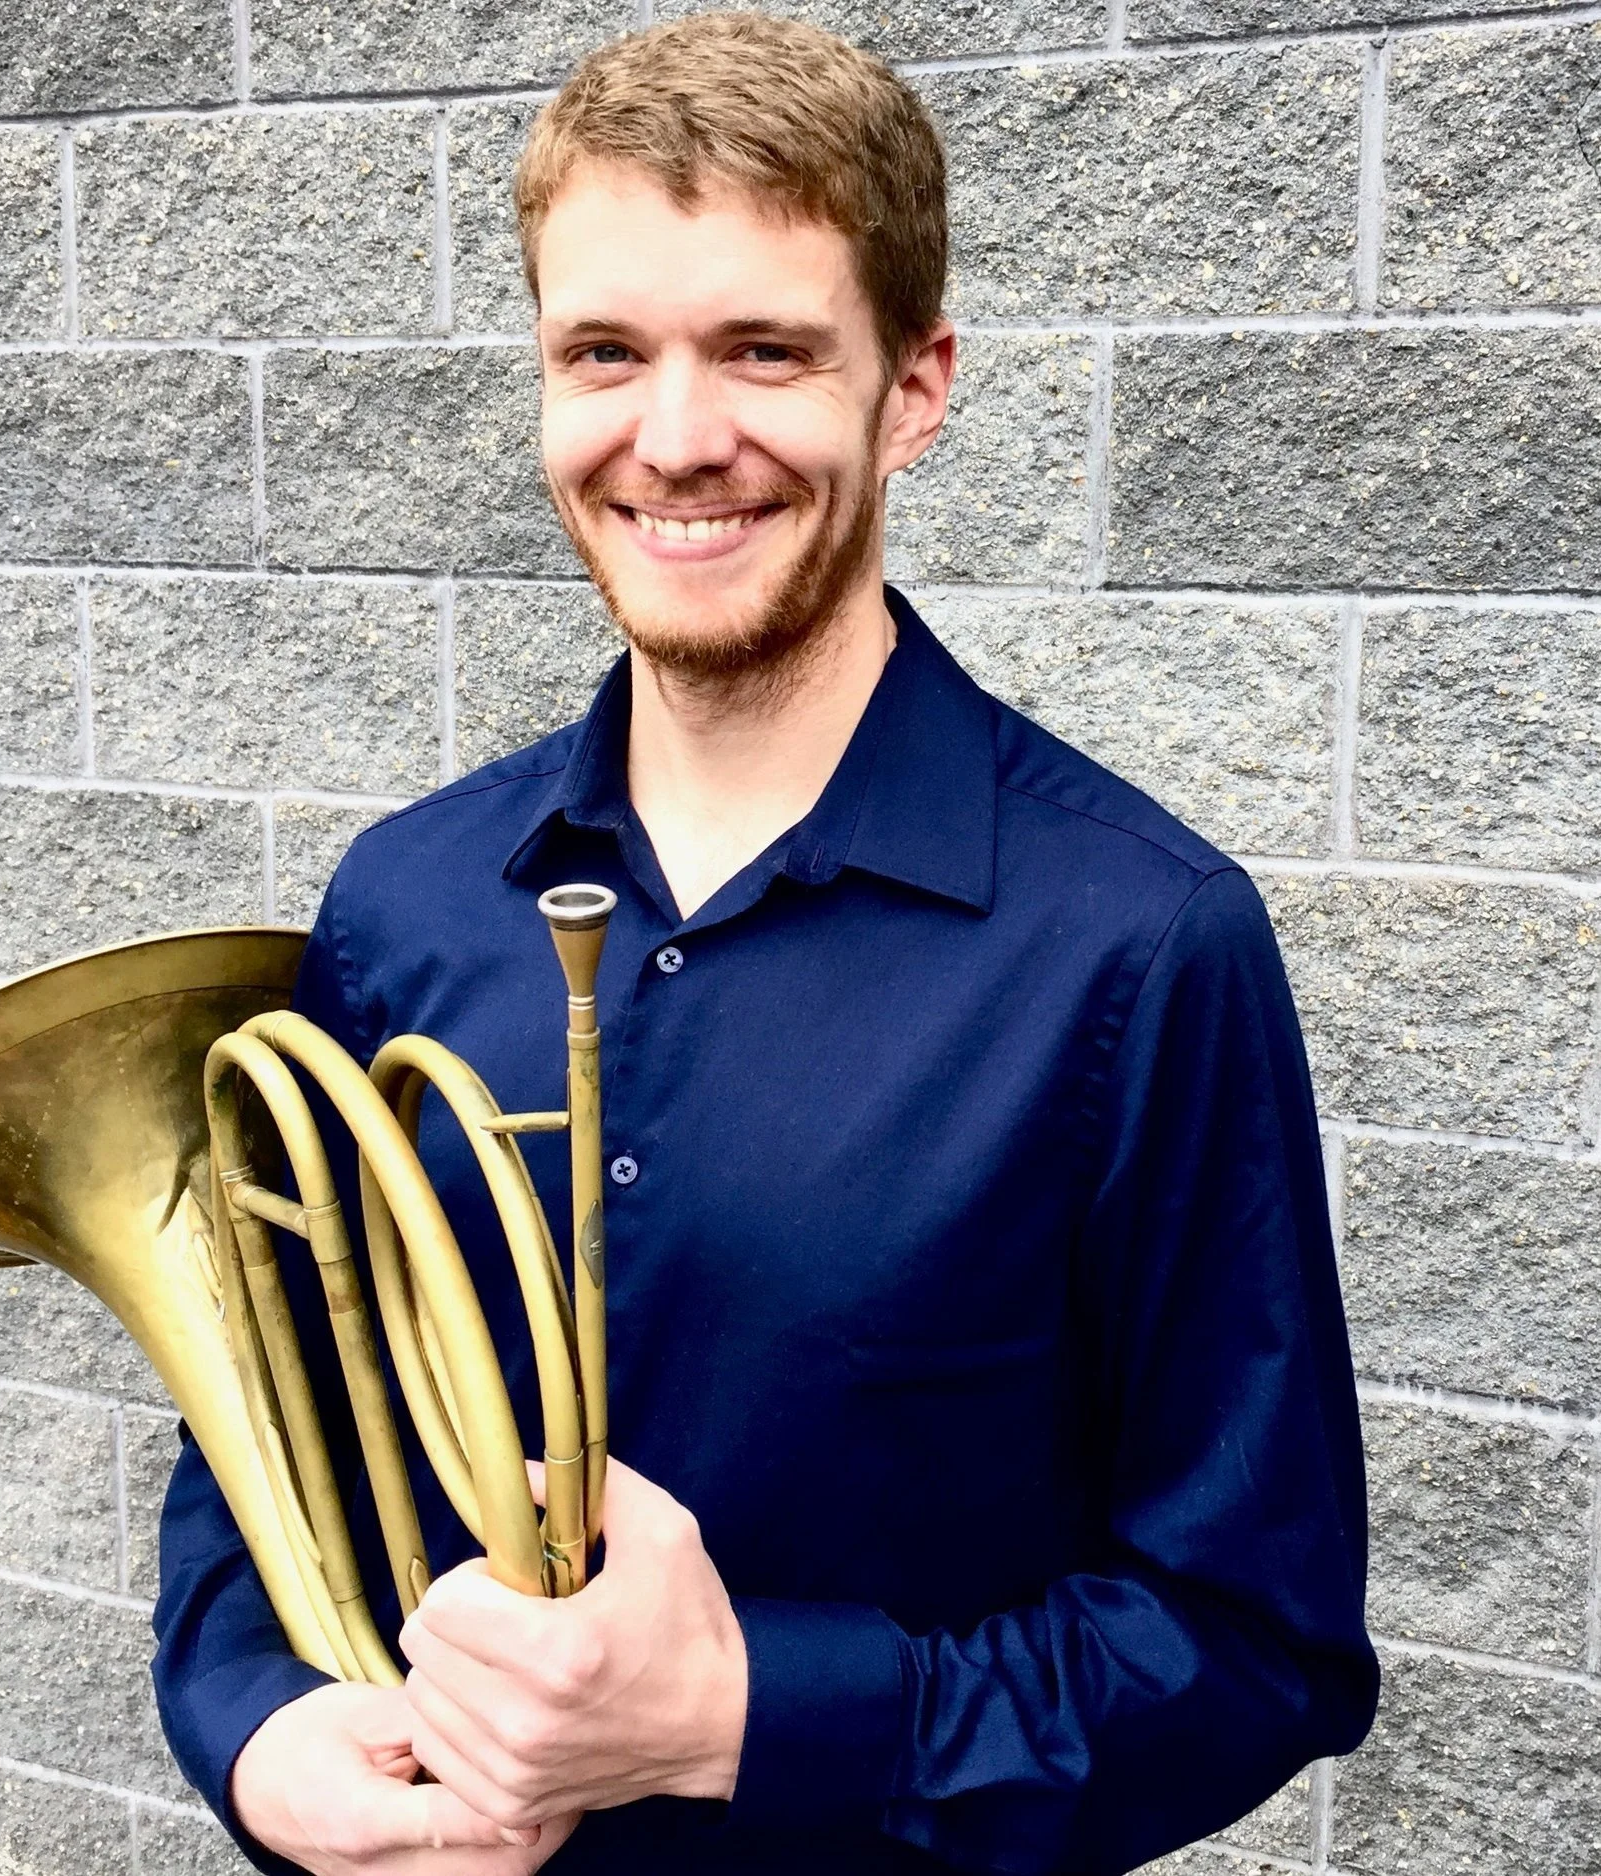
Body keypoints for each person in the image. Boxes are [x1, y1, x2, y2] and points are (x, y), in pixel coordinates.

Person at [150, 14, 1378, 1874]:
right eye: (605, 353)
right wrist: (258, 1731)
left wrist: (749, 1717)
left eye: (765, 351)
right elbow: (272, 1436)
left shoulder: (1141, 949)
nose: (674, 440)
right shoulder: (405, 899)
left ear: (914, 391)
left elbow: (1258, 1646)